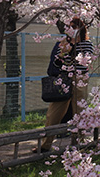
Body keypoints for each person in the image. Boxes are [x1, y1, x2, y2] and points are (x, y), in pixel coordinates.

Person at [36, 17, 94, 153]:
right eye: (70, 27)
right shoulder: (62, 43)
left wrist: (72, 48)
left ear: (80, 29)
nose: (71, 29)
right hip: (64, 79)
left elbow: (84, 63)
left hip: (80, 79)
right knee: (54, 112)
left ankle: (80, 142)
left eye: (74, 27)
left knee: (79, 110)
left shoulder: (87, 44)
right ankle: (45, 144)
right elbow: (56, 64)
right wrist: (62, 54)